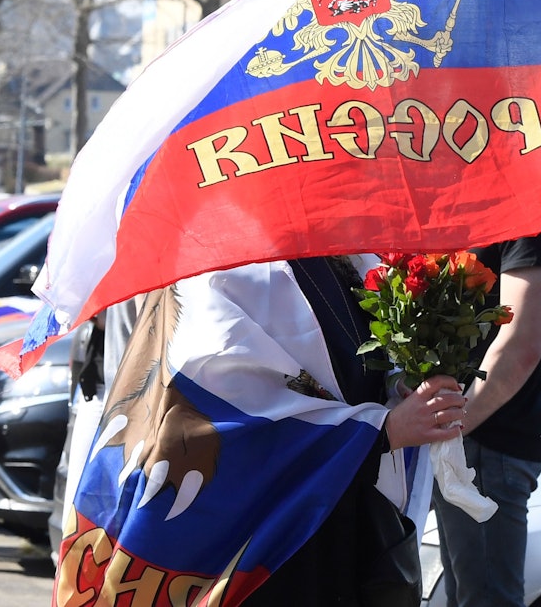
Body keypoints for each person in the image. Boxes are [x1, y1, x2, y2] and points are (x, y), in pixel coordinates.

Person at [53, 255, 468, 607]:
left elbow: (351, 370)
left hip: (336, 527)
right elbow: (225, 420)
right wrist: (383, 430)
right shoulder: (221, 271)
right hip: (257, 545)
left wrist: (401, 386)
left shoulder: (349, 258)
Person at [433, 228, 541, 606]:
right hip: (465, 440)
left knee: (485, 599)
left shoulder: (533, 220)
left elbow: (520, 346)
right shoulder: (481, 214)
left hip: (483, 444)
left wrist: (449, 432)